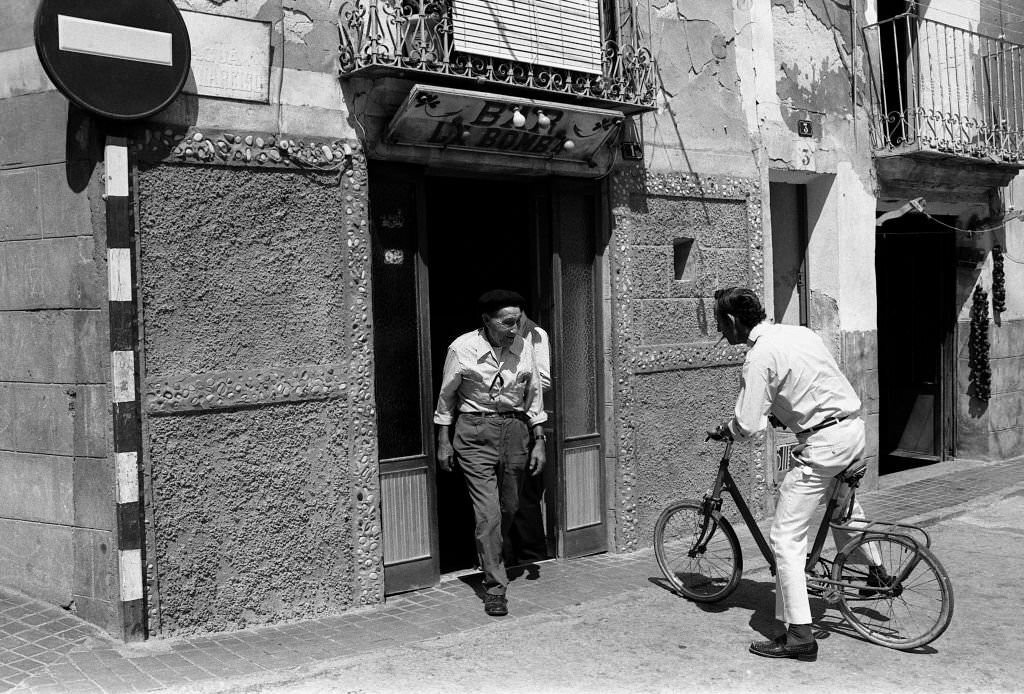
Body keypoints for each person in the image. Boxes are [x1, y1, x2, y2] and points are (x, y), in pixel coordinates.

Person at [709, 286, 885, 662]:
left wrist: (729, 428)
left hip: (823, 443)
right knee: (843, 509)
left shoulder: (758, 358)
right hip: (852, 429)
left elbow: (748, 423)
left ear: (735, 322)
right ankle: (877, 572)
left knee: (786, 539)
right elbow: (811, 380)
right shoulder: (800, 332)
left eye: (722, 325)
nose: (723, 333)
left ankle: (800, 636)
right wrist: (787, 408)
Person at [434, 289, 547, 617]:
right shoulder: (462, 348)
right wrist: (443, 439)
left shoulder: (523, 347)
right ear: (486, 321)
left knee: (510, 506)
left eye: (519, 321)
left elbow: (534, 394)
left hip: (514, 431)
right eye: (508, 322)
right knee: (489, 514)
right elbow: (447, 398)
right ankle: (495, 587)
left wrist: (539, 438)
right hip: (474, 431)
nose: (515, 328)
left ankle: (488, 548)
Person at [509, 312, 551, 565]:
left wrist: (511, 385)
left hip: (526, 418)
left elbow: (543, 379)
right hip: (504, 420)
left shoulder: (535, 334)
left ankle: (532, 554)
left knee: (526, 495)